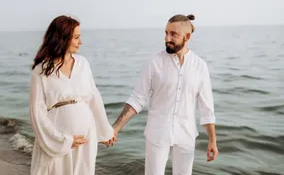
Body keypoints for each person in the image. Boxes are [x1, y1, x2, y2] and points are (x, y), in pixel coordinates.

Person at [107, 14, 219, 175]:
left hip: (186, 135)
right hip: (157, 133)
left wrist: (213, 141)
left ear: (187, 37)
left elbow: (207, 108)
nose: (167, 38)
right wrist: (116, 128)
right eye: (166, 33)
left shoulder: (200, 66)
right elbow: (137, 99)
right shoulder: (153, 62)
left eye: (173, 34)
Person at [29, 15, 114, 175]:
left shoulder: (83, 63)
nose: (80, 42)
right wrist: (62, 141)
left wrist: (105, 131)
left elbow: (94, 98)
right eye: (76, 37)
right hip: (58, 139)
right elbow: (37, 112)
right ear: (62, 38)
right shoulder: (40, 71)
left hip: (86, 138)